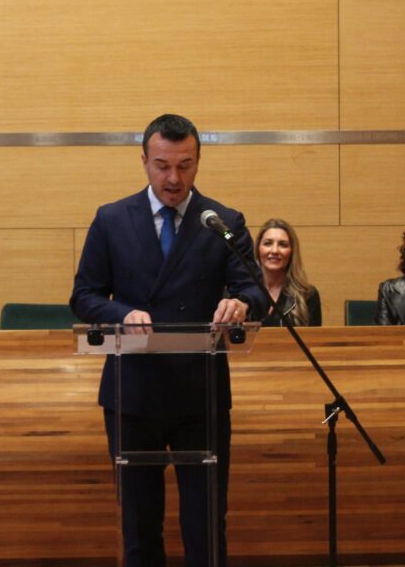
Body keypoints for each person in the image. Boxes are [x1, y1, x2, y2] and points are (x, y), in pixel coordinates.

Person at [70, 113, 267, 567]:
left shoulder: (222, 221)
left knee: (205, 524)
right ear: (143, 160)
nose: (173, 178)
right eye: (162, 165)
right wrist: (122, 313)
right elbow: (84, 296)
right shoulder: (112, 219)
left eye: (185, 165)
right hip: (132, 393)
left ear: (198, 162)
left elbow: (254, 289)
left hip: (200, 394)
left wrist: (241, 304)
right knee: (140, 525)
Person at [254, 219, 321, 327]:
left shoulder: (307, 295)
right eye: (268, 243)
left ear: (292, 252)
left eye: (283, 245)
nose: (275, 250)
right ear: (258, 250)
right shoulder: (240, 294)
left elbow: (313, 342)